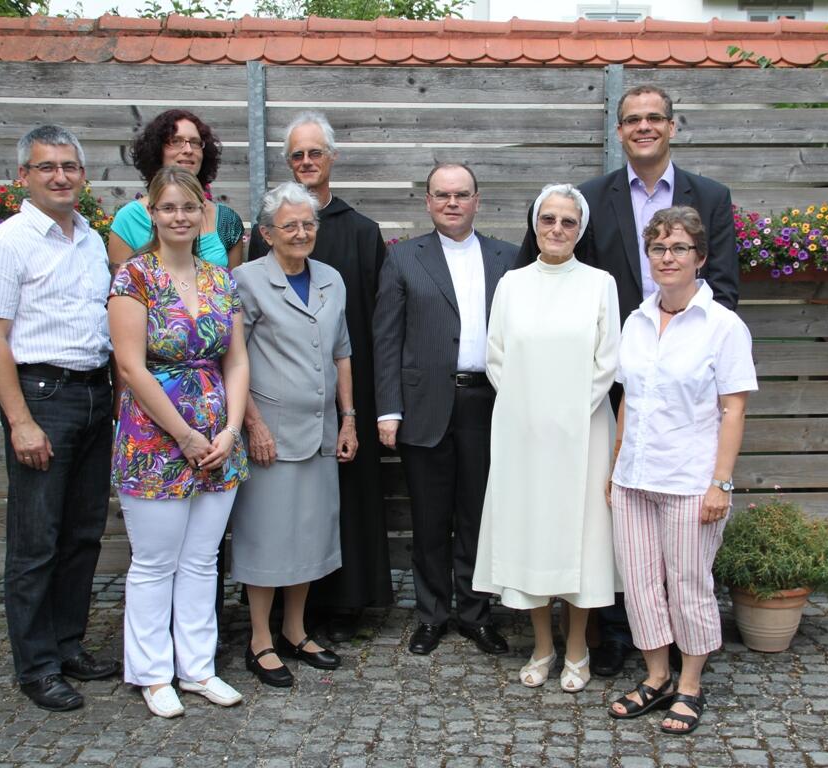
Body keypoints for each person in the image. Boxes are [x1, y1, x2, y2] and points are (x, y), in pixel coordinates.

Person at [516, 84, 740, 678]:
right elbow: (552, 274)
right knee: (614, 521)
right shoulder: (589, 198)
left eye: (654, 118)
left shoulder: (710, 197)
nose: (643, 127)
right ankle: (617, 637)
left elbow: (727, 285)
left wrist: (697, 349)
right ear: (618, 131)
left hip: (685, 375)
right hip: (609, 376)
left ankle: (682, 659)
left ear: (671, 125)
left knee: (680, 538)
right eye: (632, 119)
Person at [0, 124, 120, 711]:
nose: (60, 176)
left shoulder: (89, 238)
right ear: (23, 177)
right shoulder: (6, 244)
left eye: (70, 167)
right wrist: (21, 420)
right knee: (36, 541)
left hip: (92, 394)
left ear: (82, 176)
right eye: (47, 167)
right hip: (42, 397)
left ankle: (67, 645)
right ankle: (36, 666)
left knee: (82, 533)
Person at [607, 206, 756, 734]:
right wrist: (616, 462)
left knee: (688, 584)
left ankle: (690, 684)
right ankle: (656, 676)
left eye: (678, 249)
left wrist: (721, 482)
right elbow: (628, 397)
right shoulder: (638, 319)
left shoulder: (723, 327)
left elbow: (733, 409)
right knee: (642, 585)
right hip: (633, 479)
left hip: (692, 482)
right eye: (658, 249)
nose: (667, 258)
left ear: (701, 258)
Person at [108, 166, 250, 718]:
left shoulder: (219, 278)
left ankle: (197, 667)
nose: (179, 217)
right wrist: (185, 435)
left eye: (188, 208)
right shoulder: (134, 277)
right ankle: (151, 672)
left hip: (218, 434)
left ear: (202, 214)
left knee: (201, 560)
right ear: (151, 212)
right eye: (168, 208)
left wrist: (231, 430)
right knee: (154, 561)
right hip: (155, 437)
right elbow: (130, 365)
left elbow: (235, 358)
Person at [248, 111, 392, 642]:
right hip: (275, 418)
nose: (307, 162)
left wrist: (354, 414)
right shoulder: (252, 263)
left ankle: (321, 617)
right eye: (297, 155)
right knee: (271, 524)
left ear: (332, 158)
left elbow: (358, 337)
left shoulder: (351, 246)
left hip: (334, 410)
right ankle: (268, 632)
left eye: (315, 153)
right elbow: (237, 352)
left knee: (323, 519)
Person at [473, 184, 620, 691]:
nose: (557, 230)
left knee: (581, 536)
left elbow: (608, 361)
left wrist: (571, 411)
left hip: (585, 430)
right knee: (530, 531)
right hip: (524, 431)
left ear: (581, 230)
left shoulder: (601, 283)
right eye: (548, 220)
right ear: (534, 224)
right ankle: (542, 645)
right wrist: (530, 409)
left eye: (568, 222)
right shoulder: (511, 283)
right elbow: (496, 358)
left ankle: (578, 648)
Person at [373, 163, 517, 657]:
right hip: (424, 405)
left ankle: (477, 614)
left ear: (479, 200)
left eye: (462, 194)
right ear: (428, 202)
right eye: (442, 195)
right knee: (430, 519)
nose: (452, 203)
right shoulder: (403, 258)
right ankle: (431, 614)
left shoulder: (509, 258)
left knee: (479, 515)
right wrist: (387, 409)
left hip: (488, 402)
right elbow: (386, 339)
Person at [231, 182, 357, 688]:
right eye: (290, 225)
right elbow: (231, 360)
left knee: (308, 533)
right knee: (266, 536)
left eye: (308, 224)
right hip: (271, 433)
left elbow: (342, 351)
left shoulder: (331, 279)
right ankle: (259, 638)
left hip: (321, 428)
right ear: (265, 234)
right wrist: (252, 424)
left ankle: (295, 630)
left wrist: (349, 417)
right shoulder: (245, 280)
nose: (302, 233)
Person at [108, 109, 245, 270]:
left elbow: (233, 289)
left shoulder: (227, 222)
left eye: (195, 142)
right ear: (157, 150)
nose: (188, 150)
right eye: (176, 141)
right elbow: (121, 286)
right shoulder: (129, 219)